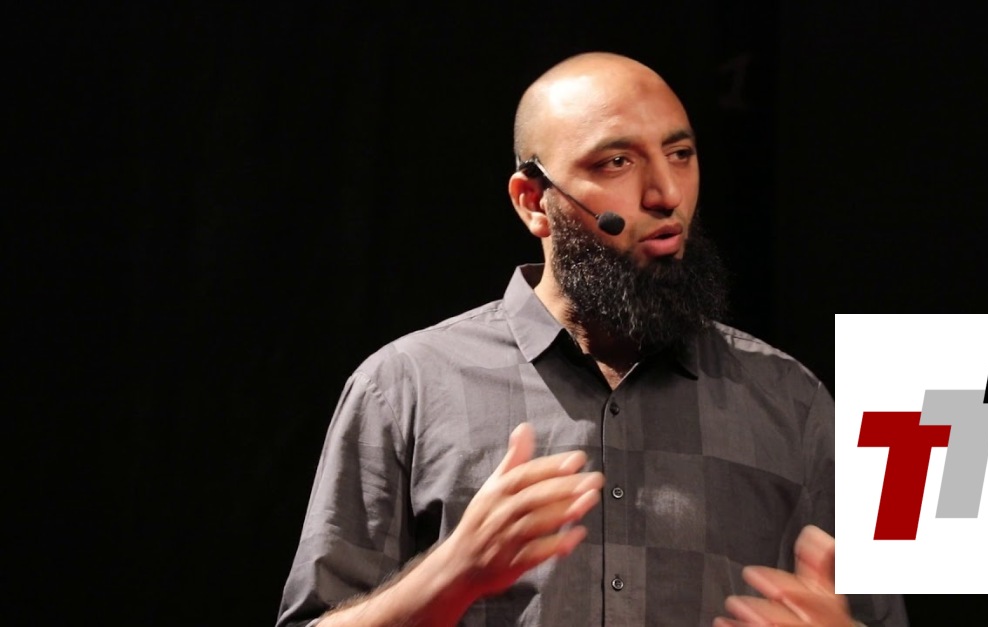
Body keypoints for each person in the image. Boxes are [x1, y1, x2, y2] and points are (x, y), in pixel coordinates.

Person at [277, 52, 907, 626]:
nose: (665, 194)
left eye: (680, 154)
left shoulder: (792, 401)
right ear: (533, 202)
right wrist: (452, 572)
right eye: (616, 163)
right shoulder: (405, 387)